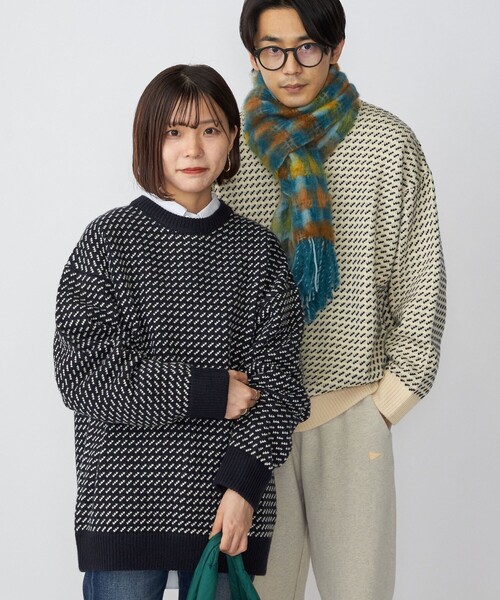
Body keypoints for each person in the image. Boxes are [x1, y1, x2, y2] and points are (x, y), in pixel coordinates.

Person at [216, 1, 447, 598]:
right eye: (273, 50)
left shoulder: (388, 144)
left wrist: (385, 406)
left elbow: (421, 279)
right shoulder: (228, 149)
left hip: (351, 412)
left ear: (336, 48)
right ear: (252, 57)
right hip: (251, 419)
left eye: (307, 47)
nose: (290, 67)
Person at [53, 63, 309, 600]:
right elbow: (83, 375)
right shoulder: (106, 242)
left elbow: (282, 387)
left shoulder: (259, 253)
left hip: (226, 511)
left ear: (232, 138)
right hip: (122, 507)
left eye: (209, 129)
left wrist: (242, 487)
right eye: (174, 131)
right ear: (149, 140)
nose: (193, 148)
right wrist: (208, 390)